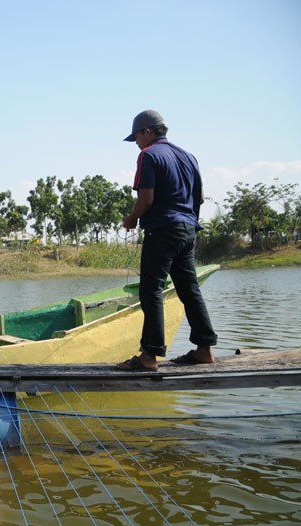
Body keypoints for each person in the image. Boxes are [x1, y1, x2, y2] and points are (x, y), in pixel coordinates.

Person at [117, 109, 218, 371]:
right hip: (187, 230)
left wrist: (131, 219)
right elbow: (201, 198)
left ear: (147, 131)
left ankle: (149, 356)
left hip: (163, 230)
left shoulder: (148, 155)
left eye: (136, 137)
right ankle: (204, 349)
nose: (136, 143)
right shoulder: (189, 156)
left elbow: (146, 199)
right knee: (189, 288)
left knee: (151, 290)